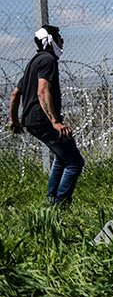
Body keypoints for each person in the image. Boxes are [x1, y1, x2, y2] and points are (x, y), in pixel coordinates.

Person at [8, 25, 85, 206]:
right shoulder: (48, 60)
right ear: (50, 41)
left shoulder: (33, 62)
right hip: (43, 121)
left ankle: (50, 202)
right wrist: (55, 122)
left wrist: (14, 120)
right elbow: (43, 92)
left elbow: (15, 94)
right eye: (59, 37)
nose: (62, 41)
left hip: (32, 121)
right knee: (74, 162)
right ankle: (60, 205)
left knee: (61, 158)